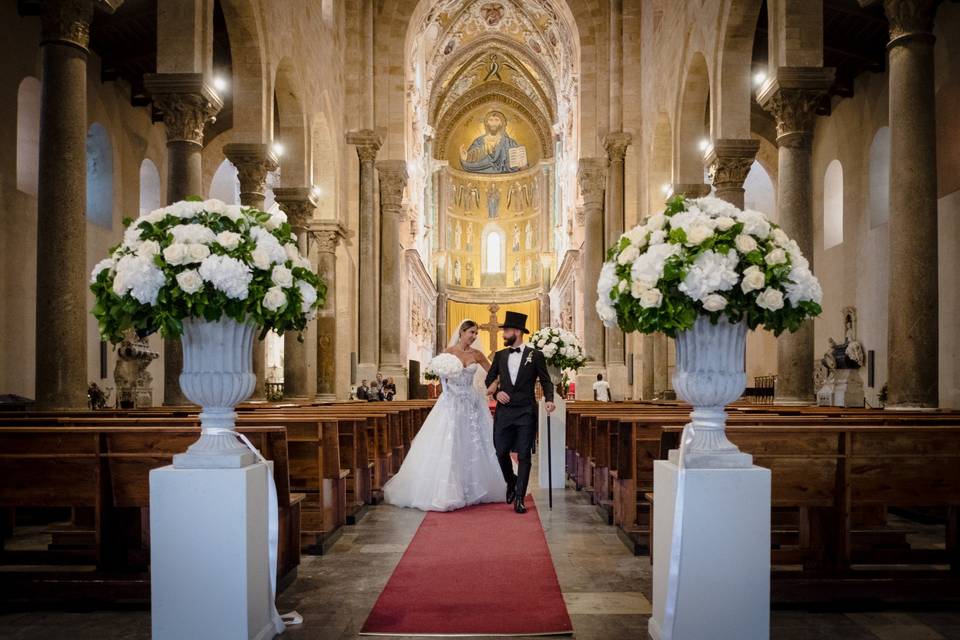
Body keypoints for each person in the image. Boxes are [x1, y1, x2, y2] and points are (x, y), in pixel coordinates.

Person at [383, 320, 506, 511]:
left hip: (471, 403)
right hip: (451, 403)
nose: (474, 337)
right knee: (449, 443)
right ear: (462, 332)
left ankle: (475, 487)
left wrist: (494, 385)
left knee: (474, 443)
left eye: (476, 334)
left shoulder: (477, 354)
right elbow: (440, 378)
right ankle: (448, 490)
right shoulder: (448, 353)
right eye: (471, 332)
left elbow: (495, 372)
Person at [485, 311, 555, 514]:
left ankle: (520, 497)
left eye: (506, 331)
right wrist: (497, 393)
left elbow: (546, 380)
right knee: (500, 451)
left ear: (516, 331)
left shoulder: (536, 355)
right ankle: (511, 481)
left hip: (525, 411)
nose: (503, 334)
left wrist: (549, 399)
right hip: (504, 412)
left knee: (524, 455)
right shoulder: (500, 356)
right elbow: (489, 380)